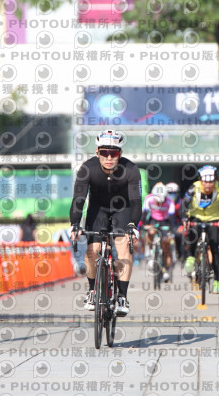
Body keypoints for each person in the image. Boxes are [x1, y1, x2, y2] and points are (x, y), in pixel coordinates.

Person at [69, 129, 141, 316]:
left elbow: (136, 202)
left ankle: (122, 296)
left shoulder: (131, 169)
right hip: (98, 209)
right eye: (104, 152)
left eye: (113, 153)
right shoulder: (87, 168)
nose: (109, 157)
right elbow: (79, 199)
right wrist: (75, 224)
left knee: (124, 248)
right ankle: (92, 291)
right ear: (97, 152)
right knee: (92, 251)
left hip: (123, 209)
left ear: (120, 153)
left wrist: (133, 225)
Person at [181, 165, 219, 294]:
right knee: (192, 233)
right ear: (201, 180)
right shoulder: (193, 188)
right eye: (205, 182)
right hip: (196, 217)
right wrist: (185, 218)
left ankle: (217, 281)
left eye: (211, 182)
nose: (208, 185)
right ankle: (190, 256)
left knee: (214, 247)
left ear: (215, 181)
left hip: (213, 219)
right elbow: (184, 204)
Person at [142, 182, 175, 283]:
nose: (160, 204)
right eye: (157, 202)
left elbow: (172, 219)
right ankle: (149, 250)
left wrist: (170, 231)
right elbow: (144, 214)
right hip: (153, 220)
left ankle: (166, 268)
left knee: (166, 243)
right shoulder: (149, 199)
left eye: (162, 201)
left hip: (165, 221)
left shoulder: (170, 202)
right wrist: (145, 225)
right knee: (151, 232)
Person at [166, 182, 186, 263]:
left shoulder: (181, 202)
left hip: (177, 224)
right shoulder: (163, 202)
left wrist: (182, 226)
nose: (172, 195)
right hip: (165, 223)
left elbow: (183, 216)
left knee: (180, 235)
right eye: (170, 193)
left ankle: (181, 255)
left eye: (174, 193)